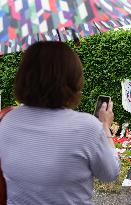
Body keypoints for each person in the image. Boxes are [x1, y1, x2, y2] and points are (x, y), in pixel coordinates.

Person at [0, 41, 120, 205]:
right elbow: (110, 173)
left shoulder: (7, 121)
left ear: (23, 77)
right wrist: (105, 127)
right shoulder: (87, 127)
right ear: (73, 79)